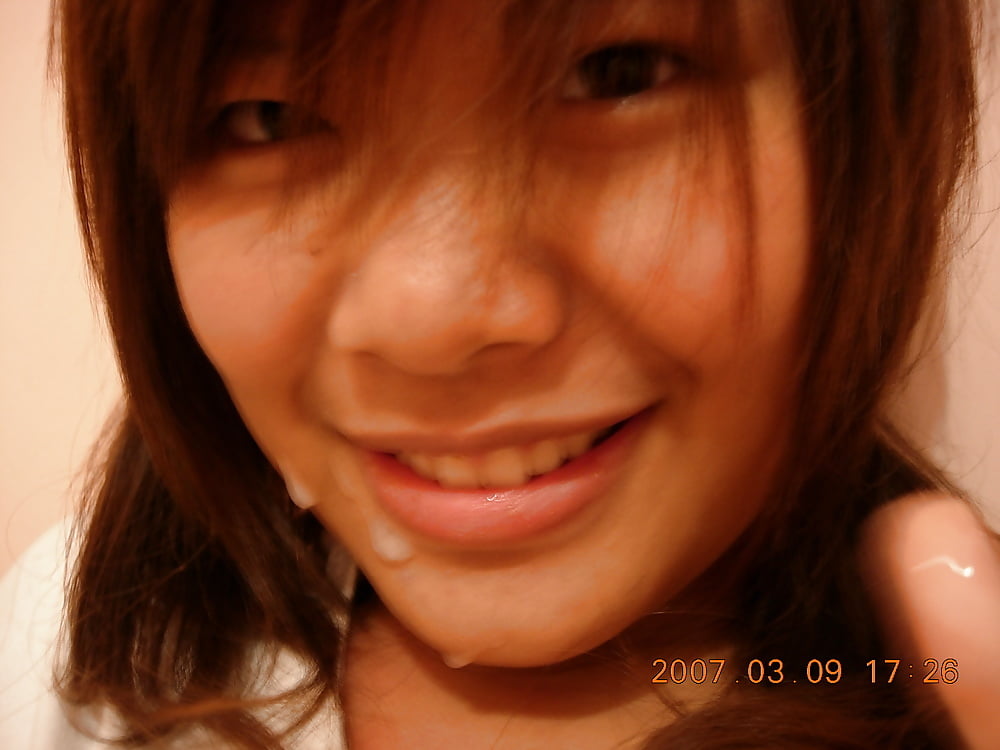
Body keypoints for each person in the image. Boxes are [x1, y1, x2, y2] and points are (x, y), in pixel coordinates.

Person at [2, 0, 998, 747]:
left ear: (866, 127)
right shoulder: (73, 640)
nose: (432, 321)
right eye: (269, 118)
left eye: (618, 73)